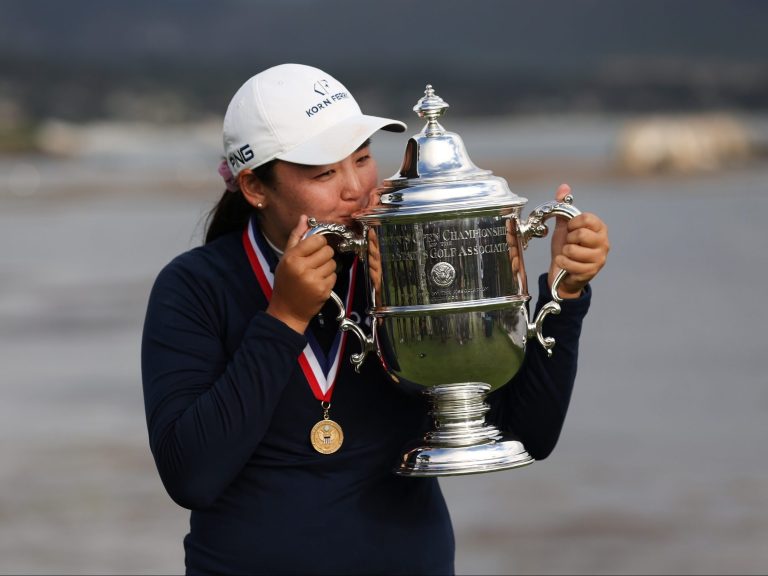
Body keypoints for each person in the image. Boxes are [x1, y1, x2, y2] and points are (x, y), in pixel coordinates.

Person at [141, 63, 610, 575]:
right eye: (324, 172)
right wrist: (284, 319)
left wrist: (564, 293)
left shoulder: (408, 263)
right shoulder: (194, 286)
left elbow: (527, 434)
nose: (356, 189)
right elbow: (192, 477)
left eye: (362, 159)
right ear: (255, 187)